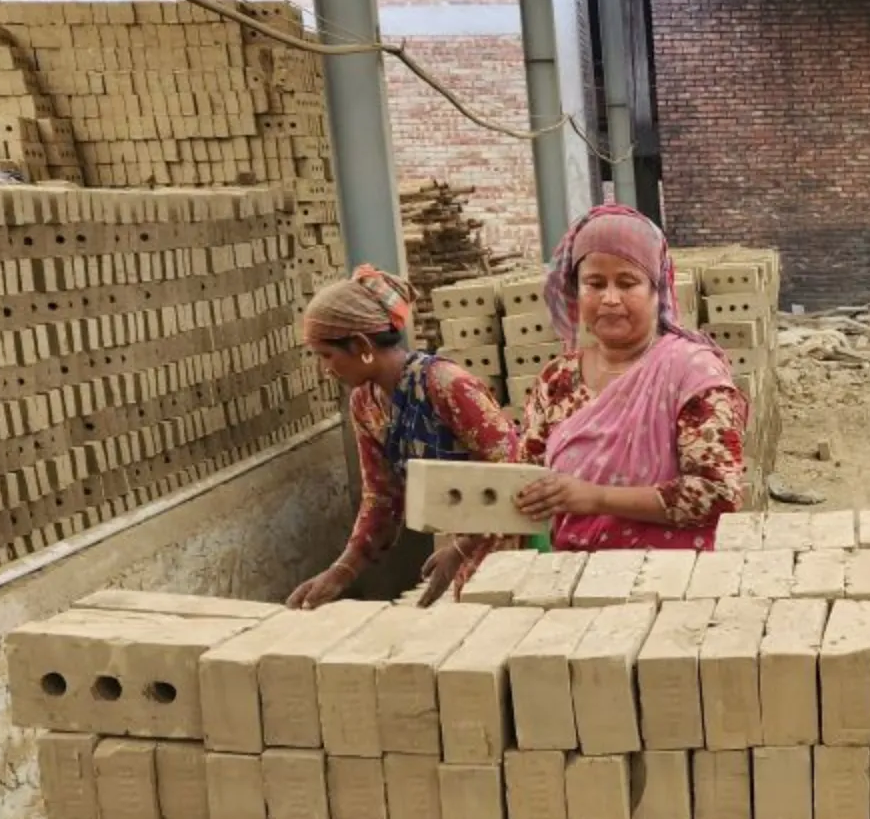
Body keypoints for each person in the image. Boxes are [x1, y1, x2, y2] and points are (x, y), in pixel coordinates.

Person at [512, 205, 747, 551]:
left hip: (674, 583)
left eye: (627, 283)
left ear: (658, 291)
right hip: (573, 583)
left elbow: (718, 492)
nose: (609, 298)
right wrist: (465, 548)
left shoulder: (691, 373)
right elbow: (523, 483)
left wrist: (598, 499)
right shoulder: (557, 381)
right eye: (594, 283)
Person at [287, 263, 519, 608]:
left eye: (327, 356)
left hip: (512, 546)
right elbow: (381, 498)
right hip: (461, 546)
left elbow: (515, 474)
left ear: (362, 345)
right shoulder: (365, 403)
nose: (325, 370)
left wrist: (461, 548)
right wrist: (341, 571)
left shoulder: (446, 385)